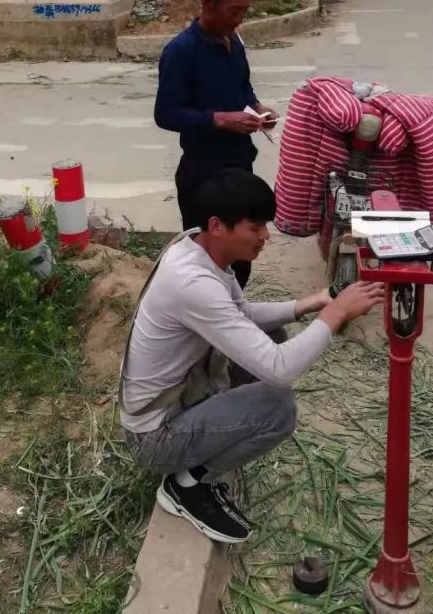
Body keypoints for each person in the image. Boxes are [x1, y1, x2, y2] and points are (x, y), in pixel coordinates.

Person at [119, 169, 384, 545]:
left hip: (179, 398)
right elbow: (279, 370)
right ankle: (187, 484)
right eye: (255, 227)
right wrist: (335, 313)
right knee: (277, 406)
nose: (265, 237)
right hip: (155, 439)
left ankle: (203, 444)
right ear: (217, 226)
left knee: (271, 334)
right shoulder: (193, 284)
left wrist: (309, 304)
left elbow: (239, 314)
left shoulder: (196, 248)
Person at [154, 0, 274, 289]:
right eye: (234, 11)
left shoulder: (235, 42)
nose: (239, 20)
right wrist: (220, 119)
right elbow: (165, 114)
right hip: (203, 174)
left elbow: (243, 89)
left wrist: (259, 110)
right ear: (207, 3)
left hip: (240, 166)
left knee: (242, 259)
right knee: (206, 266)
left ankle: (232, 319)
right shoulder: (180, 52)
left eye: (245, 12)